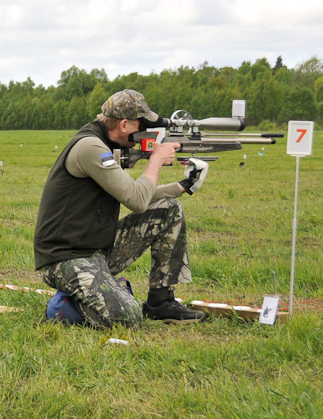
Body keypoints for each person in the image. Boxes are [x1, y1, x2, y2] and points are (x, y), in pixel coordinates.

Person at [34, 89, 209, 328]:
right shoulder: (90, 147)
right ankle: (61, 306)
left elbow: (133, 191)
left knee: (169, 209)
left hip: (97, 248)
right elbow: (136, 200)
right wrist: (156, 159)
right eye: (142, 125)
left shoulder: (105, 144)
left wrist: (182, 186)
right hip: (65, 258)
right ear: (125, 124)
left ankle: (161, 303)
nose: (146, 132)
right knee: (127, 317)